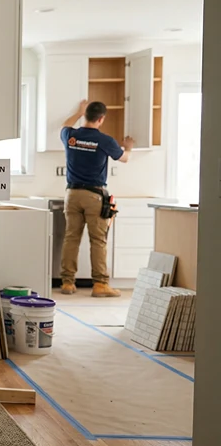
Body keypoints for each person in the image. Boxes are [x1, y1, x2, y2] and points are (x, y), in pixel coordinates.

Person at [59, 100, 134, 298]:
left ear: (86, 116)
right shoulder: (105, 140)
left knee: (71, 238)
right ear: (101, 119)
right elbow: (124, 158)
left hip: (72, 195)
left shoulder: (70, 136)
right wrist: (128, 147)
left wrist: (78, 112)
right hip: (94, 196)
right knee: (98, 241)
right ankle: (100, 284)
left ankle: (67, 282)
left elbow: (65, 124)